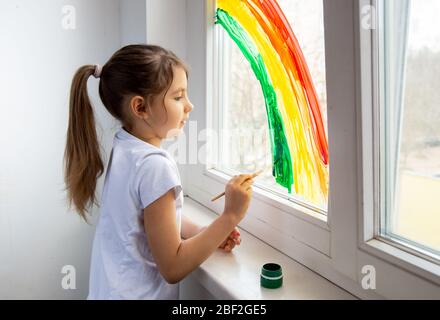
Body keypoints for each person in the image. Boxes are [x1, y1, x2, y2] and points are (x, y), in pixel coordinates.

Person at [63, 44, 254, 299]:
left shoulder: (125, 146)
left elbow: (154, 218)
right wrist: (230, 216)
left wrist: (203, 232)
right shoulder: (155, 165)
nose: (190, 105)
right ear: (140, 108)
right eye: (178, 97)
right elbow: (173, 268)